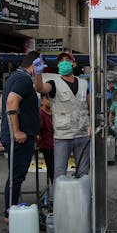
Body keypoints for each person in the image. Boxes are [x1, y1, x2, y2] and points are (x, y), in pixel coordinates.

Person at [33, 52, 90, 186]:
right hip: (63, 136)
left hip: (82, 134)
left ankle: (83, 203)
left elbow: (90, 106)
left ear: (74, 64)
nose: (64, 62)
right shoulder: (54, 83)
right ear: (58, 65)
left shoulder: (83, 83)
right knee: (60, 174)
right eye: (61, 61)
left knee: (83, 173)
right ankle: (60, 205)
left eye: (67, 60)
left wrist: (92, 124)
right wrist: (38, 74)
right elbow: (40, 88)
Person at [0, 51, 40, 220]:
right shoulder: (23, 80)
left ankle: (12, 210)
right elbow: (10, 102)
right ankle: (10, 214)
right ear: (34, 64)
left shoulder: (15, 77)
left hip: (18, 135)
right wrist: (16, 130)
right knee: (16, 176)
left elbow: (2, 99)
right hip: (18, 137)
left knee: (17, 175)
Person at [37, 95, 54, 191]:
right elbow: (38, 131)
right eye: (48, 99)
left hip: (55, 142)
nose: (50, 101)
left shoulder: (51, 112)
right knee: (52, 169)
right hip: (47, 145)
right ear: (42, 100)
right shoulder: (40, 113)